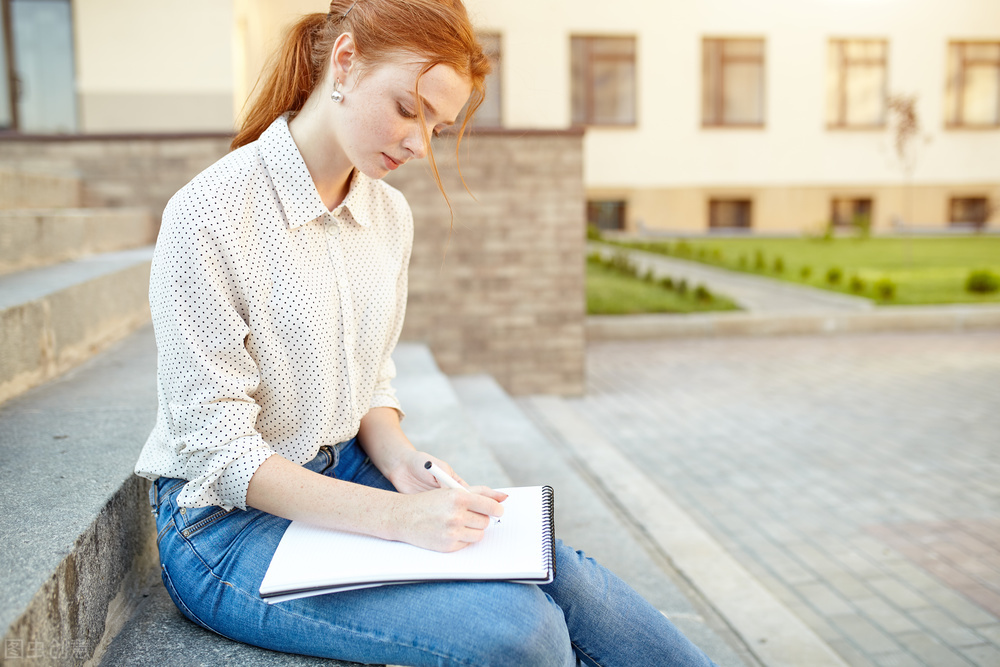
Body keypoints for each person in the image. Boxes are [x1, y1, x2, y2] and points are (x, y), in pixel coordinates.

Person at [135, 1, 720, 665]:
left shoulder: (387, 214)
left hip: (347, 470)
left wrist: (402, 460)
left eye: (438, 126)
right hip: (227, 528)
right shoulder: (208, 215)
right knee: (525, 635)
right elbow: (221, 455)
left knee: (563, 572)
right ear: (346, 62)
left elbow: (370, 378)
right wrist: (397, 517)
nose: (420, 144)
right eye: (409, 110)